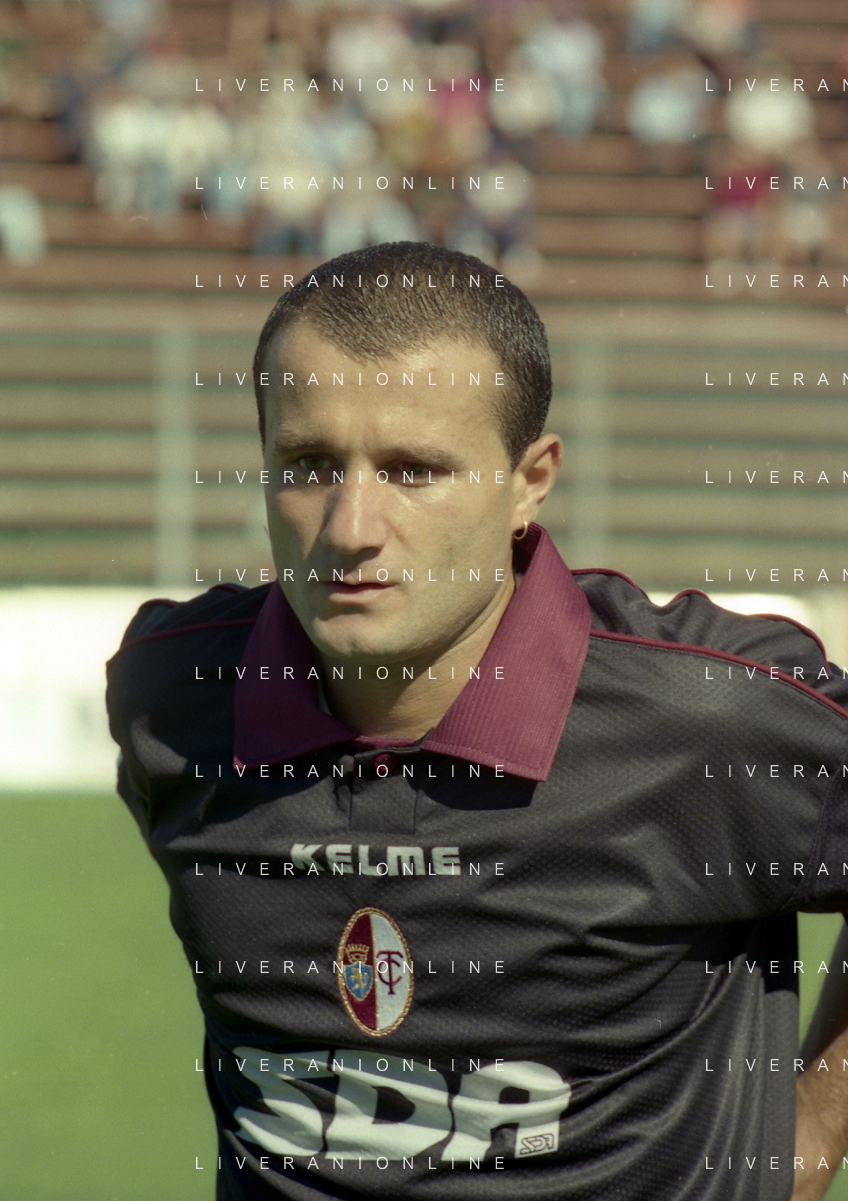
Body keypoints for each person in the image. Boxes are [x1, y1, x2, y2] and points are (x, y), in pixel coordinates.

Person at [106, 241, 848, 1201]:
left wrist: (810, 1134)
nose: (350, 527)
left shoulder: (713, 719)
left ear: (529, 480)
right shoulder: (174, 696)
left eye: (413, 470)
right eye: (309, 464)